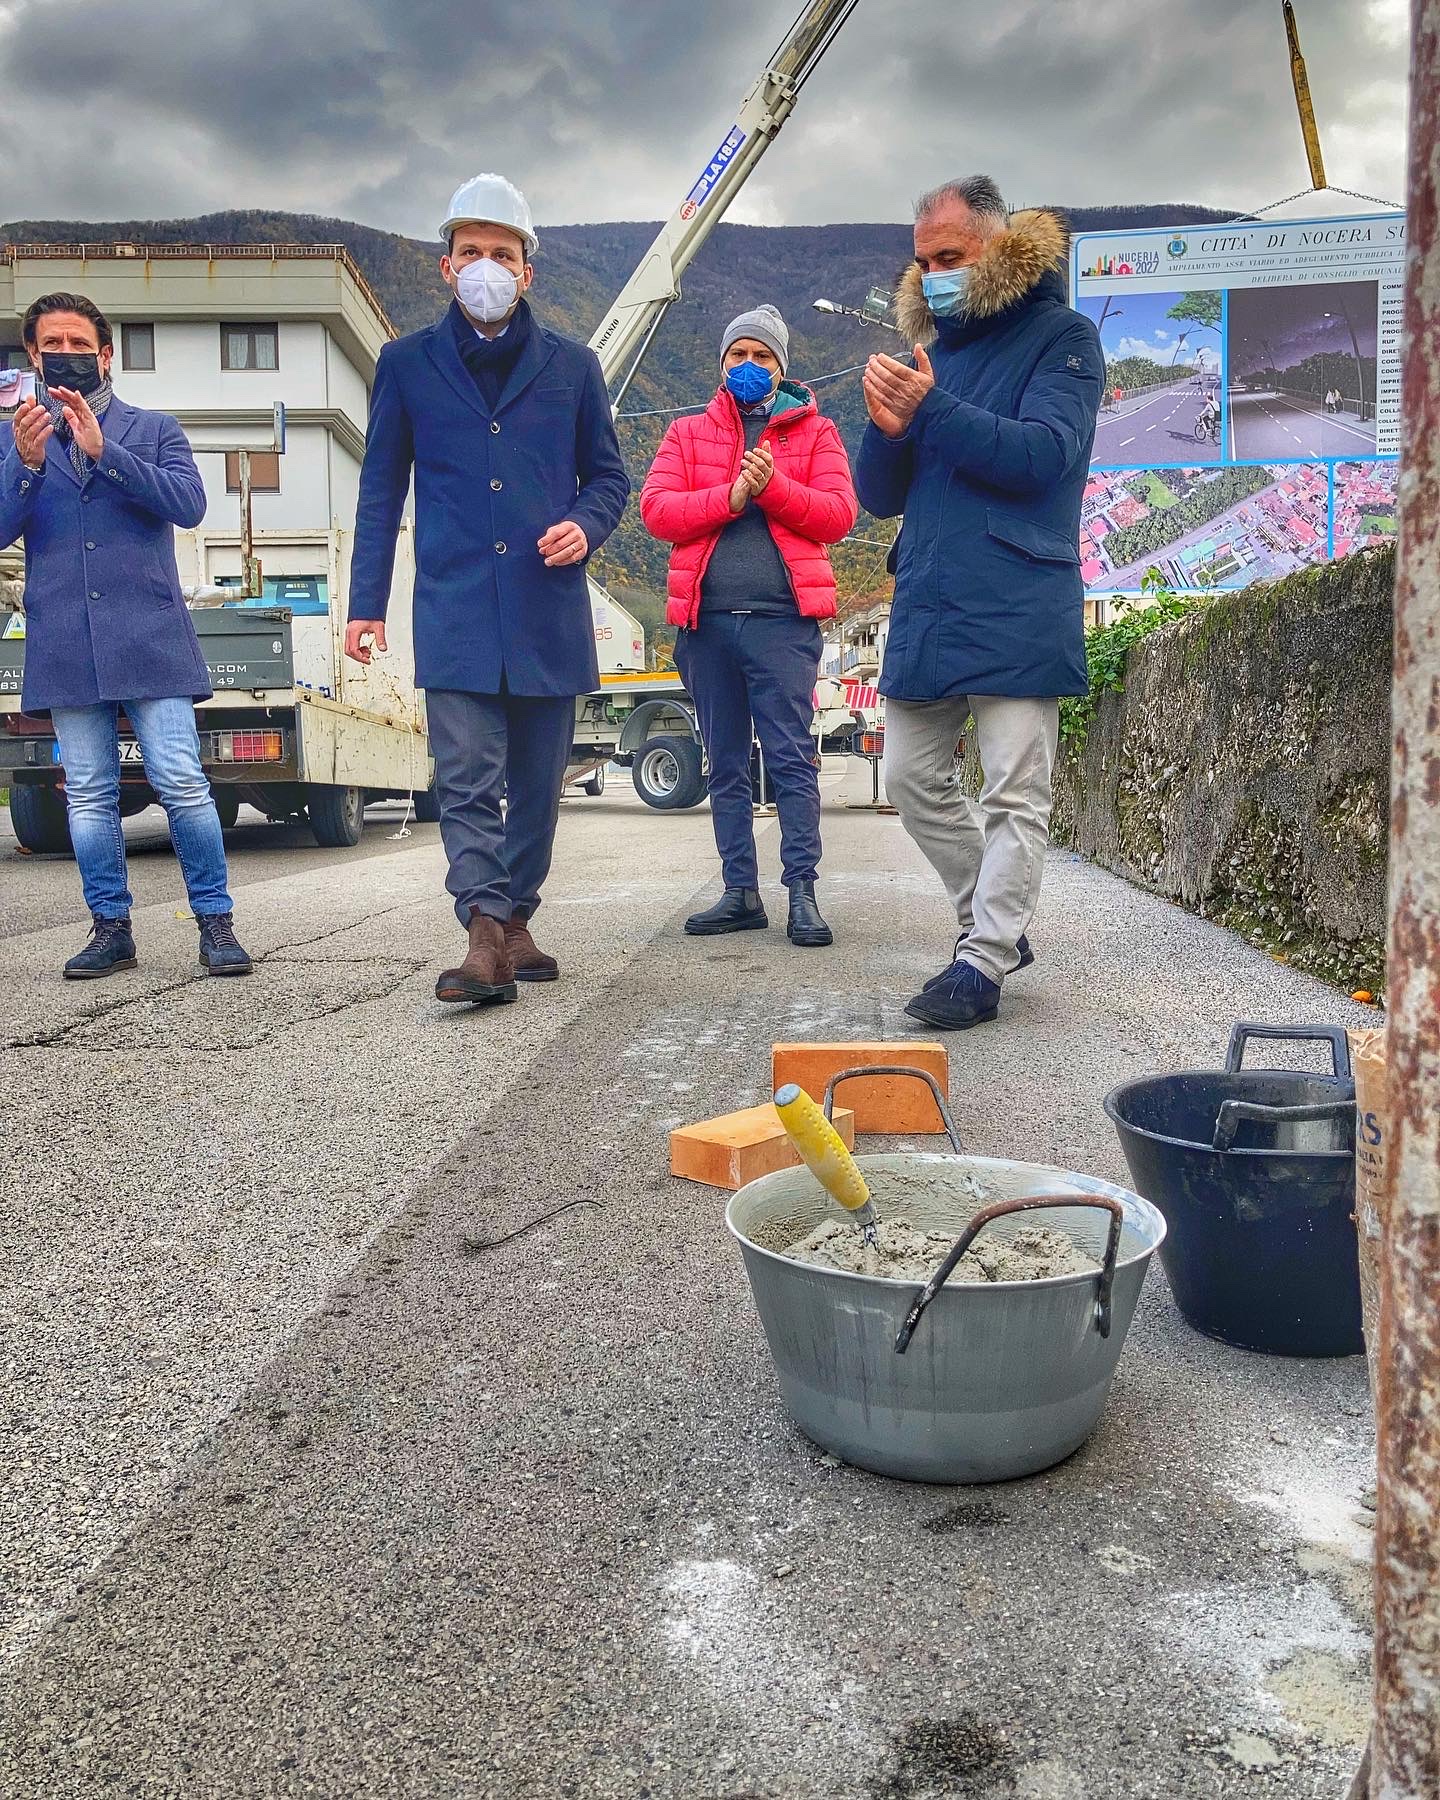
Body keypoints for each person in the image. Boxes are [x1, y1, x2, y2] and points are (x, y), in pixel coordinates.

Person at [346, 174, 629, 1006]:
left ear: (527, 271)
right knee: (467, 777)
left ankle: (516, 920)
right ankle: (483, 932)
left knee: (538, 785)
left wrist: (586, 523)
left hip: (547, 609)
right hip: (456, 607)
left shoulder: (574, 368)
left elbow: (609, 478)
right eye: (471, 251)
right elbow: (378, 491)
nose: (486, 265)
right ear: (446, 266)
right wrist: (366, 605)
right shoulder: (405, 364)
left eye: (502, 253)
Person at [856, 176, 1103, 1030]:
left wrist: (932, 410)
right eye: (923, 262)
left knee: (1013, 792)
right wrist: (888, 428)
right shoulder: (933, 351)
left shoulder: (1063, 339)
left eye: (950, 258)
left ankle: (984, 956)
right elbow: (877, 494)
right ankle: (994, 919)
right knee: (910, 777)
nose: (932, 276)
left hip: (1017, 596)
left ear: (1000, 248)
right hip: (929, 595)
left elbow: (1043, 455)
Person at [0, 292, 252, 980]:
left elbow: (189, 504)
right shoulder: (14, 434)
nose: (67, 354)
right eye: (52, 342)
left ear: (105, 355)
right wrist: (25, 466)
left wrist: (103, 450)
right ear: (33, 354)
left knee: (181, 780)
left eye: (80, 343)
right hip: (65, 641)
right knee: (87, 791)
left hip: (151, 636)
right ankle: (111, 928)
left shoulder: (154, 427)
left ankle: (216, 924)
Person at [640, 306, 858, 946]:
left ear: (782, 367)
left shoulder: (818, 434)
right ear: (721, 364)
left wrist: (771, 489)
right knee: (725, 761)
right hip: (705, 625)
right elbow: (657, 510)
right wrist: (730, 497)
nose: (749, 366)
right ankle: (740, 891)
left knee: (791, 758)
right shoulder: (686, 434)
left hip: (783, 625)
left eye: (763, 357)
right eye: (738, 354)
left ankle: (803, 894)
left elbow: (838, 515)